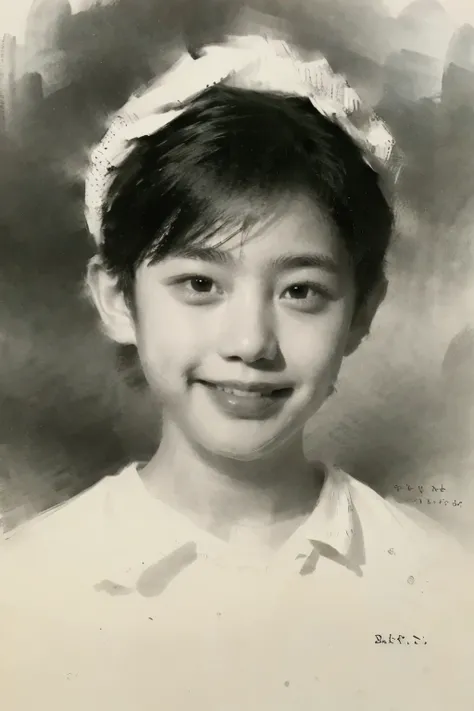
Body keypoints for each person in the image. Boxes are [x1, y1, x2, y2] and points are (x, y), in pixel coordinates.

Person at [1, 33, 472, 711]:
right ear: (116, 298)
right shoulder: (25, 586)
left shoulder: (444, 585)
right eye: (199, 283)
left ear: (363, 310)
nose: (251, 341)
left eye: (301, 291)